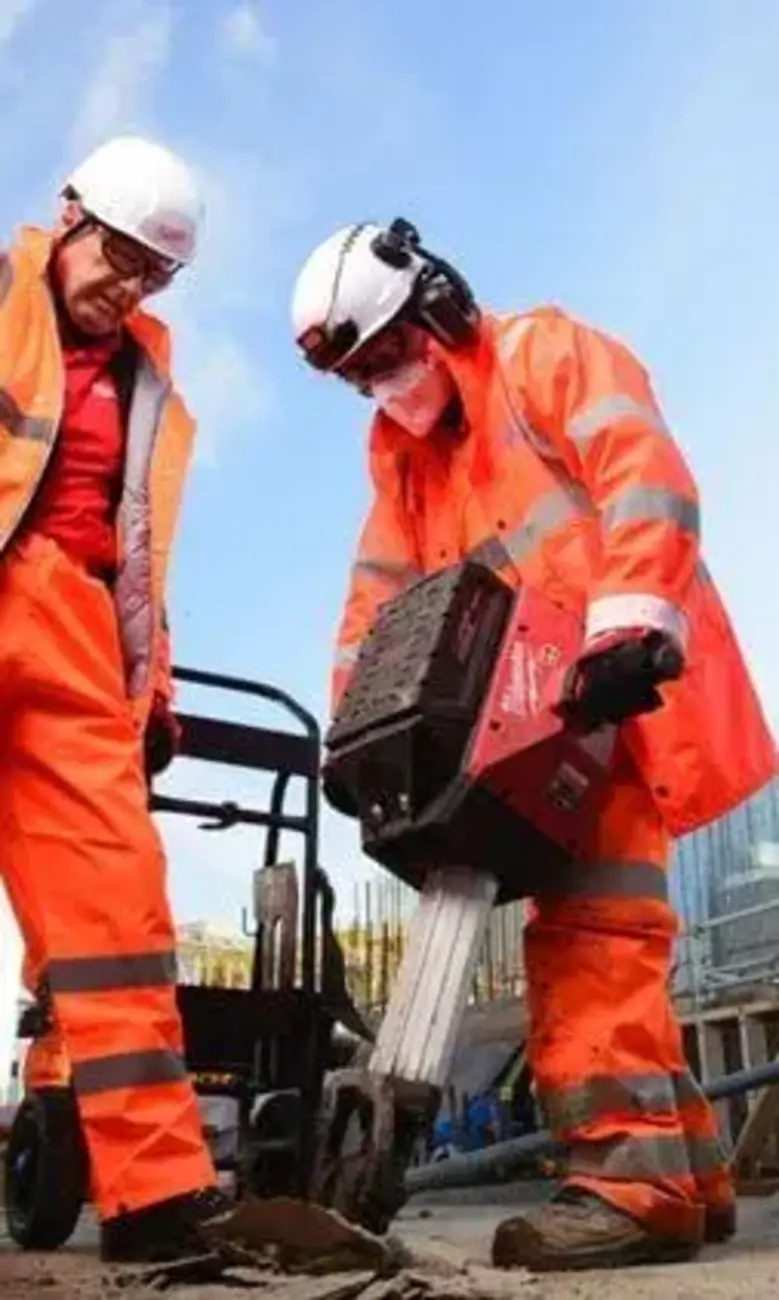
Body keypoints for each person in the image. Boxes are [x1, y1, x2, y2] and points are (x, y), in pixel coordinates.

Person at [290, 217, 778, 1272]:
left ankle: (626, 1189)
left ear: (437, 307)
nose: (382, 386)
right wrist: (353, 734)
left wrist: (630, 621)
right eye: (359, 376)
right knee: (599, 936)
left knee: (588, 934)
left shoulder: (541, 356)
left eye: (385, 356)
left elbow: (640, 472)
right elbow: (374, 608)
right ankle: (682, 1176)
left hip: (607, 693)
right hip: (515, 725)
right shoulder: (404, 466)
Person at [0, 134, 237, 1265]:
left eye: (154, 273)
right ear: (70, 213)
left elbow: (142, 556)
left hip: (75, 627)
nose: (127, 285)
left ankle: (151, 1194)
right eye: (120, 257)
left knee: (119, 908)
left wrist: (154, 689)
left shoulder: (153, 381)